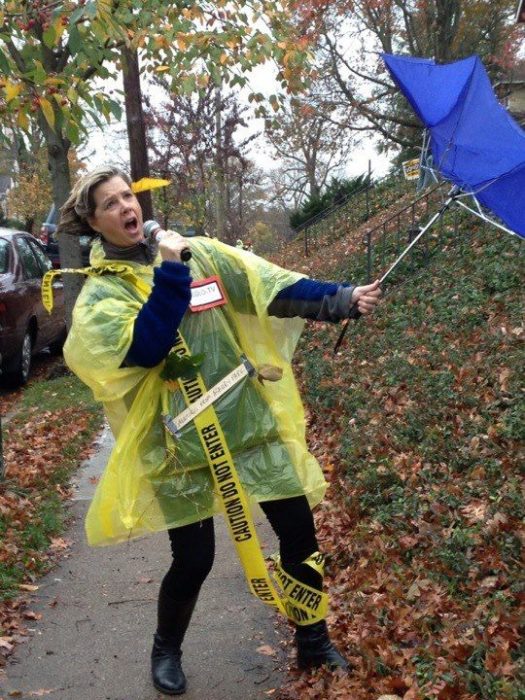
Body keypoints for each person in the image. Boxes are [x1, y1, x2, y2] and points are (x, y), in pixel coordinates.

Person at [55, 165, 381, 696]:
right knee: (194, 559)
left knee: (299, 530)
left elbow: (266, 285)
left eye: (128, 196)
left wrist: (340, 299)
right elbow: (145, 349)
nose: (126, 207)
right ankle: (167, 648)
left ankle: (313, 639)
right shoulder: (101, 297)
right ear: (93, 222)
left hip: (245, 423)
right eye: (111, 204)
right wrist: (170, 273)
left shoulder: (200, 253)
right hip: (178, 441)